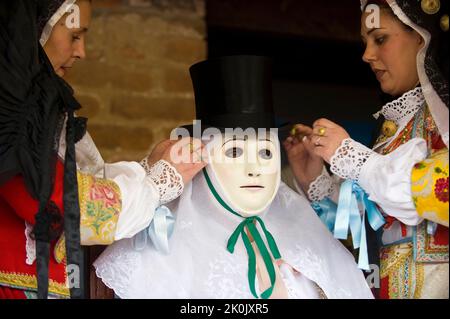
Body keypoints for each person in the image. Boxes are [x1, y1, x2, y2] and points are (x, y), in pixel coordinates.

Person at [93, 55, 374, 299]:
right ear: (205, 158)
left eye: (265, 153)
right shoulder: (160, 247)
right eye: (235, 151)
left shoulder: (307, 236)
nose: (254, 169)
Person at [0, 0, 205, 299]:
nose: (81, 51)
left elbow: (78, 178)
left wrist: (148, 169)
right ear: (36, 30)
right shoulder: (11, 116)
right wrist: (156, 185)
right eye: (74, 35)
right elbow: (66, 205)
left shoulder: (35, 111)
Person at [284, 0, 448, 299]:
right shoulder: (391, 129)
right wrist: (317, 182)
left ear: (421, 36)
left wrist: (355, 160)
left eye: (380, 39)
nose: (367, 55)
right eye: (365, 42)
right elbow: (362, 233)